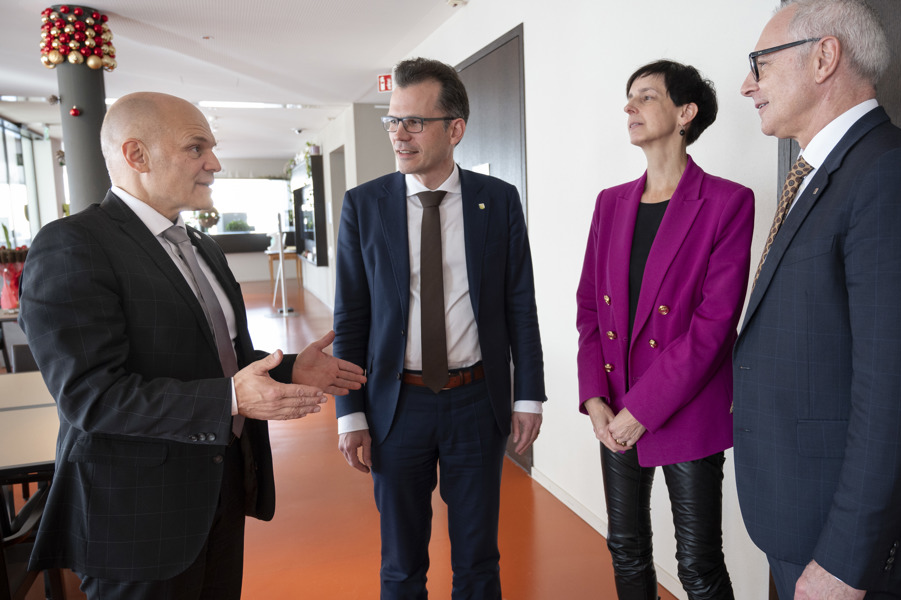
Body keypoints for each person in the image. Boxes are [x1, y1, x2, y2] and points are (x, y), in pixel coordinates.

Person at [18, 91, 367, 599]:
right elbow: (91, 396)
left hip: (219, 491)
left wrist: (290, 368)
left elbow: (215, 359)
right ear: (137, 155)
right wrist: (231, 399)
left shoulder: (201, 246)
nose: (214, 163)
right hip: (138, 518)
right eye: (196, 148)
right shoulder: (73, 245)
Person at [733, 1, 901, 598]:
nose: (747, 85)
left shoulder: (895, 175)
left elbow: (898, 396)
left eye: (761, 64)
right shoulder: (825, 172)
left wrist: (846, 561)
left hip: (840, 542)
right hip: (798, 511)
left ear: (824, 58)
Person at [333, 57, 546, 599]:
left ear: (455, 129)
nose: (398, 134)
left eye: (414, 122)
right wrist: (349, 411)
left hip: (476, 402)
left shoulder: (498, 200)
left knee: (478, 560)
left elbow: (520, 304)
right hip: (394, 406)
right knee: (401, 563)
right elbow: (350, 317)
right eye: (393, 120)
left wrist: (528, 397)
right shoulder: (364, 205)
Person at [576, 60, 753, 600]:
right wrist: (595, 398)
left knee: (697, 565)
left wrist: (642, 410)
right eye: (629, 97)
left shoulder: (728, 202)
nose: (629, 107)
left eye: (647, 96)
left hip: (686, 405)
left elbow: (714, 325)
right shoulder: (610, 203)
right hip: (615, 406)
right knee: (625, 549)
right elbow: (590, 309)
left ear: (685, 113)